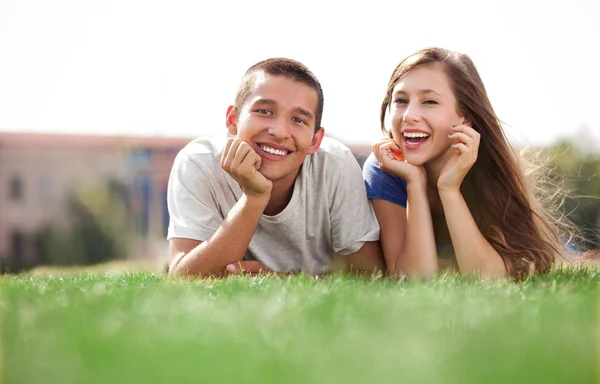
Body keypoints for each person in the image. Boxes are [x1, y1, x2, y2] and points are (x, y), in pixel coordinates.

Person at [363, 47, 570, 280]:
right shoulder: (385, 167)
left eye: (429, 101)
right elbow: (413, 279)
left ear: (465, 115)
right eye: (401, 100)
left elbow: (490, 279)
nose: (409, 115)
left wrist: (449, 189)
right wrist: (415, 183)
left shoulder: (490, 165)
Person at [167, 57, 384, 278]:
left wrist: (281, 278)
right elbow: (184, 278)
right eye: (264, 111)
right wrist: (255, 198)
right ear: (233, 120)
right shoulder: (199, 163)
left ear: (314, 141)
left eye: (298, 120)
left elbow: (371, 276)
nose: (279, 131)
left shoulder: (334, 164)